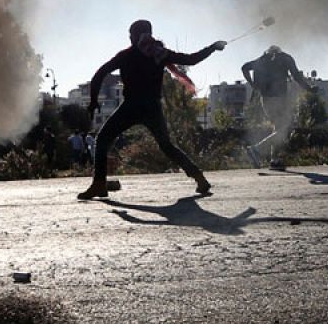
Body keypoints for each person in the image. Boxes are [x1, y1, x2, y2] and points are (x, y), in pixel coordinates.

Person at [77, 19, 227, 200]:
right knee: (167, 146)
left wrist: (94, 101)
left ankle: (99, 184)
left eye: (131, 34)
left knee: (102, 139)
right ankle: (199, 178)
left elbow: (100, 74)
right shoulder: (159, 53)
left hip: (131, 106)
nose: (130, 38)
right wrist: (213, 48)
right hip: (152, 108)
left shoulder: (127, 55)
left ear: (135, 35)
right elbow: (191, 60)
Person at [241, 45, 317, 170]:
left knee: (277, 128)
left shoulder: (262, 60)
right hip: (279, 99)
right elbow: (296, 76)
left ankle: (274, 160)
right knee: (283, 129)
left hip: (265, 99)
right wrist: (309, 88)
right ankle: (256, 149)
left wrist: (252, 84)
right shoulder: (286, 58)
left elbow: (244, 68)